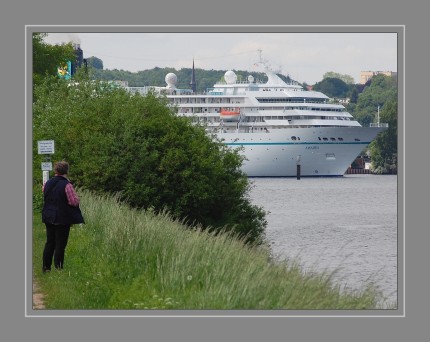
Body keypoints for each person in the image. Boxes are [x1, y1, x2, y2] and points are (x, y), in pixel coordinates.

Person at [41, 161, 82, 272]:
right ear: (67, 171)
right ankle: (59, 268)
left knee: (50, 242)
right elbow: (73, 201)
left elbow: (45, 193)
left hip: (48, 215)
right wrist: (78, 199)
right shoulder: (67, 185)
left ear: (56, 170)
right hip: (62, 217)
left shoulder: (47, 183)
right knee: (60, 244)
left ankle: (46, 268)